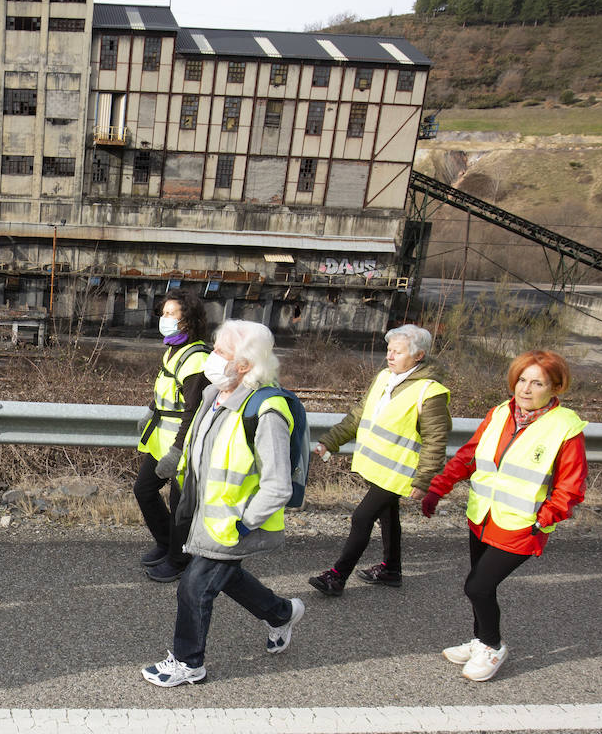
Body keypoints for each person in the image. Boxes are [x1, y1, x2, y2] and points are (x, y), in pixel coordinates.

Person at [140, 320, 304, 688]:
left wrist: (245, 523)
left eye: (220, 351)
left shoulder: (267, 410)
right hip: (206, 517)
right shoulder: (214, 395)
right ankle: (281, 613)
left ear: (244, 364)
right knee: (225, 577)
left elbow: (278, 485)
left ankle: (188, 662)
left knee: (194, 587)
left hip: (234, 523)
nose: (211, 357)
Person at [421, 350, 586, 682]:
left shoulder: (565, 427)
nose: (525, 389)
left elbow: (571, 485)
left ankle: (493, 646)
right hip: (482, 517)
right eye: (522, 380)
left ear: (555, 387)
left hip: (522, 526)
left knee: (477, 587)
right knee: (481, 585)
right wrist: (439, 487)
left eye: (537, 383)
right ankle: (480, 640)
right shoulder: (500, 413)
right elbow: (469, 456)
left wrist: (545, 518)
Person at [307, 325, 451, 596]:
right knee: (388, 515)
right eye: (389, 350)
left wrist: (424, 480)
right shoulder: (385, 377)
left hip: (399, 472)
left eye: (398, 352)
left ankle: (337, 577)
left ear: (418, 356)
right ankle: (391, 569)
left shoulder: (430, 392)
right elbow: (358, 416)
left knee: (361, 518)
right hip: (378, 468)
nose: (389, 356)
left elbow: (436, 441)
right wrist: (331, 440)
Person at [133, 289, 210, 583]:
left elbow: (193, 411)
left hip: (183, 445)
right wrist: (151, 410)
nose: (163, 319)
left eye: (170, 314)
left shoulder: (197, 360)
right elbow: (167, 389)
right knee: (144, 490)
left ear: (187, 319)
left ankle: (179, 561)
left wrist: (177, 451)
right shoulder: (173, 350)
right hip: (162, 441)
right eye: (163, 313)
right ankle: (167, 544)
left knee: (180, 506)